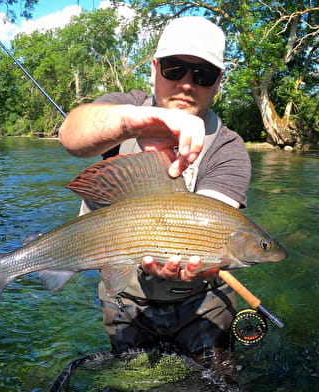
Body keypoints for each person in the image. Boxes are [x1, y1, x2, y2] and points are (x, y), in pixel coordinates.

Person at [59, 16, 251, 366]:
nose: (187, 84)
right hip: (125, 300)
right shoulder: (122, 107)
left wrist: (198, 259)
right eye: (174, 69)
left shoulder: (229, 148)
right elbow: (71, 135)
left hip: (201, 304)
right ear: (155, 68)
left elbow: (211, 223)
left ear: (218, 81)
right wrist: (133, 123)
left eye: (203, 75)